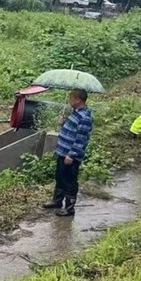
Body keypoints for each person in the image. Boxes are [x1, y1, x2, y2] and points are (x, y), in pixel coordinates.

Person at [43, 89, 94, 217]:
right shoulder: (75, 113)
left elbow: (80, 139)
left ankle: (69, 207)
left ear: (78, 100)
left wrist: (72, 155)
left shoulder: (85, 118)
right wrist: (64, 122)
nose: (69, 100)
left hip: (71, 155)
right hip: (62, 151)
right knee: (60, 177)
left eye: (71, 98)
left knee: (69, 181)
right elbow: (71, 129)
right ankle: (57, 201)